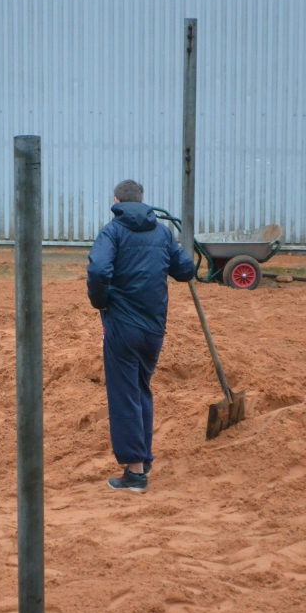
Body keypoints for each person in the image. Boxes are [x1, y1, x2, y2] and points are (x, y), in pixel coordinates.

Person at [86, 180, 196, 493]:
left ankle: (135, 473)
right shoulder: (162, 232)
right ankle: (143, 459)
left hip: (122, 325)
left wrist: (101, 301)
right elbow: (185, 270)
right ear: (142, 200)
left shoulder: (113, 232)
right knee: (140, 390)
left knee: (125, 395)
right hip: (154, 328)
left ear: (116, 201)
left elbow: (98, 271)